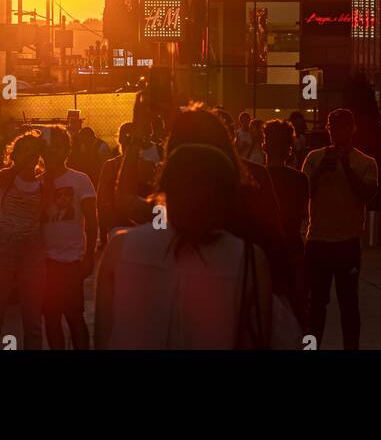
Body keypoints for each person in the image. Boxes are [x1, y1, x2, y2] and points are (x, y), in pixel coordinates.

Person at [96, 143, 276, 350]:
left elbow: (103, 336)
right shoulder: (249, 259)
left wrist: (135, 140)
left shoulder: (121, 248)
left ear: (163, 188)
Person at [302, 107, 378, 349]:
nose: (338, 133)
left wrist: (347, 168)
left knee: (349, 305)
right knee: (315, 305)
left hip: (348, 242)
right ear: (328, 130)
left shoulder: (365, 162)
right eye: (333, 128)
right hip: (318, 240)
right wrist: (321, 170)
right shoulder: (314, 158)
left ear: (352, 129)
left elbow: (368, 195)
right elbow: (303, 194)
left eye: (344, 127)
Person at [0, 132, 45, 350]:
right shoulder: (5, 176)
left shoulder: (44, 183)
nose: (31, 155)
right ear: (15, 154)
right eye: (25, 150)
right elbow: (13, 172)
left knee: (33, 316)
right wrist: (26, 158)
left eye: (34, 151)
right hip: (4, 247)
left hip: (32, 250)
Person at [40, 126, 97, 350]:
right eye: (48, 148)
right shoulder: (36, 182)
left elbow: (92, 221)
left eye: (57, 147)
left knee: (74, 316)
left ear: (66, 150)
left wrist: (89, 255)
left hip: (72, 262)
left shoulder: (80, 180)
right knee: (51, 318)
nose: (52, 152)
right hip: (44, 264)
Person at [260, 120, 309, 326]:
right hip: (292, 248)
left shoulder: (256, 177)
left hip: (263, 249)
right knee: (297, 309)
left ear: (264, 145)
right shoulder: (299, 179)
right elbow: (303, 213)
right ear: (289, 147)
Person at [97, 122, 133, 247]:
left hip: (117, 224)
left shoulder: (111, 165)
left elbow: (101, 202)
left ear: (120, 140)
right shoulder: (149, 165)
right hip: (142, 225)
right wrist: (158, 228)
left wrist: (103, 238)